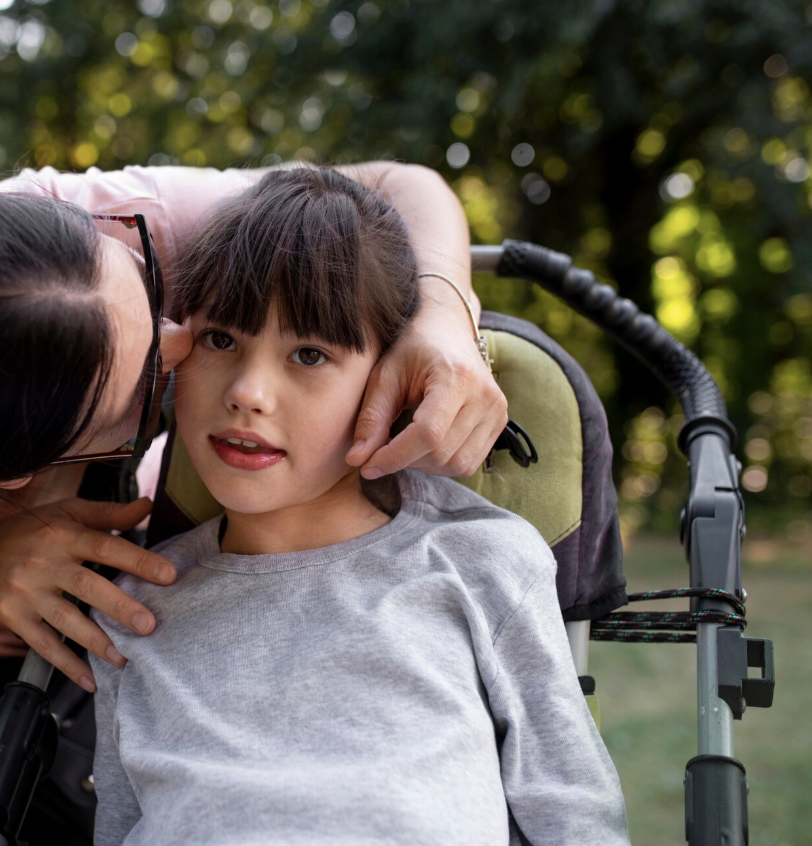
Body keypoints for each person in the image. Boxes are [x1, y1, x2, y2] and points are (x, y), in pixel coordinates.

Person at [0, 162, 506, 846]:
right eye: (155, 371)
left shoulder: (108, 231)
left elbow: (400, 183)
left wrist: (444, 310)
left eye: (155, 298)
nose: (186, 342)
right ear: (16, 480)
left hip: (124, 627)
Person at [88, 168, 631, 844]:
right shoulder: (132, 609)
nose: (249, 392)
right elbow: (116, 823)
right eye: (221, 340)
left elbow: (571, 810)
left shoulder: (478, 561)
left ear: (392, 382)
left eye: (309, 354)